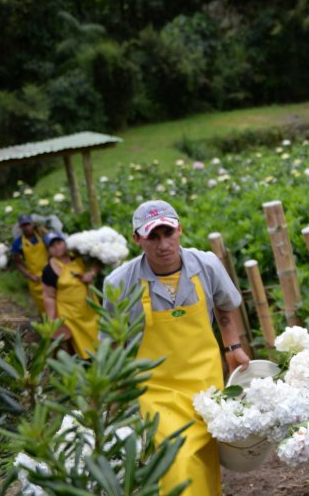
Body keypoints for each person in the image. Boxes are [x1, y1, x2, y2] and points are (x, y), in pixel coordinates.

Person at [103, 200, 250, 495]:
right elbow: (113, 343)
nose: (163, 245)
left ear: (179, 229)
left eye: (168, 233)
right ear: (137, 240)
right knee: (176, 461)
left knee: (204, 461)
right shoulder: (120, 283)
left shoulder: (205, 265)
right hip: (156, 391)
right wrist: (113, 394)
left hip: (204, 384)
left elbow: (224, 307)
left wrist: (232, 347)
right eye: (152, 237)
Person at [40, 232, 100, 357]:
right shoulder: (48, 270)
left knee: (99, 339)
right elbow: (49, 297)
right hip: (69, 313)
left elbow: (99, 261)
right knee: (79, 346)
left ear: (65, 243)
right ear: (48, 250)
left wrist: (92, 273)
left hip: (90, 308)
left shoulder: (81, 257)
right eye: (52, 246)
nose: (57, 247)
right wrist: (51, 320)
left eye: (59, 243)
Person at [11, 214, 48, 316]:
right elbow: (18, 263)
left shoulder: (42, 236)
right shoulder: (17, 244)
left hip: (49, 275)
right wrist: (29, 276)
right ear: (20, 227)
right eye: (24, 225)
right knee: (42, 307)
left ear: (33, 224)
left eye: (28, 224)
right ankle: (47, 328)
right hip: (35, 279)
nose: (27, 227)